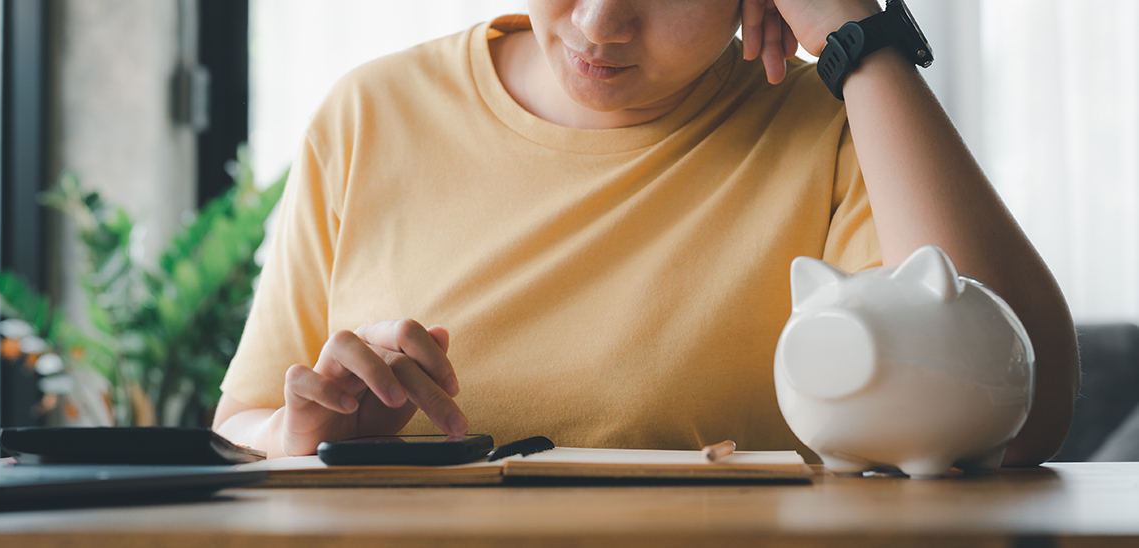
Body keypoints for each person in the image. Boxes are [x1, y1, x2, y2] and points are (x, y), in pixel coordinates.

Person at [213, 0, 1079, 465]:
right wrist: (306, 437)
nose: (600, 23)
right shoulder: (370, 114)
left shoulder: (835, 125)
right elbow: (244, 421)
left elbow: (1019, 413)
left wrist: (864, 38)